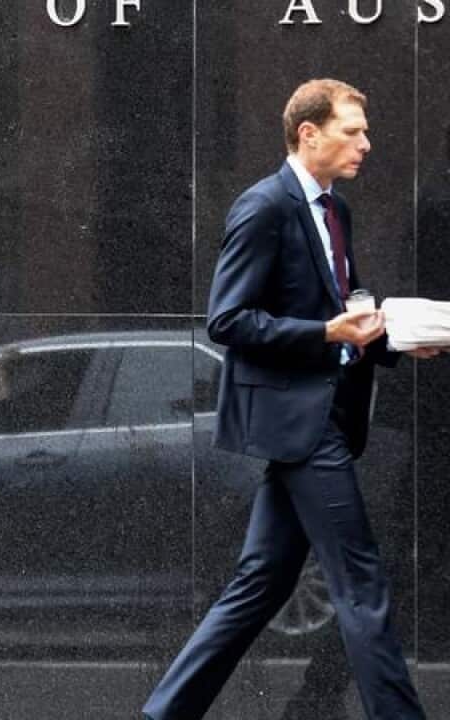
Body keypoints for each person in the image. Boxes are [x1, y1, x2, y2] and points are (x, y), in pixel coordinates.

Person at [142, 78, 439, 720]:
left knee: (258, 586)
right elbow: (228, 320)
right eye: (352, 130)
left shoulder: (335, 210)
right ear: (309, 134)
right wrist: (324, 332)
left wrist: (393, 341)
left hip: (323, 417)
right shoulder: (263, 207)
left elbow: (346, 311)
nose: (366, 142)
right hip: (300, 424)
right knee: (361, 583)